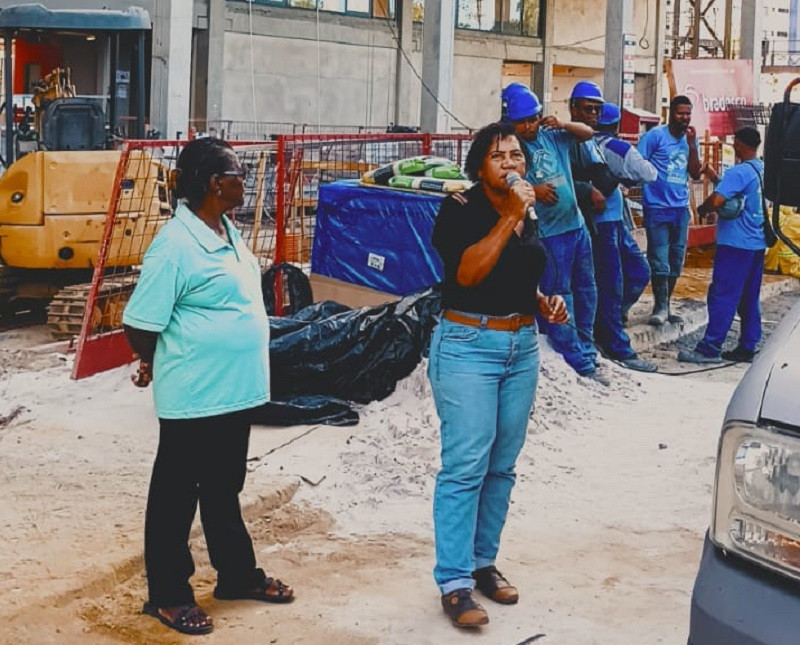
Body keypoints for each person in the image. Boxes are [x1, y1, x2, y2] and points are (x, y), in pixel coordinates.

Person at [122, 137, 294, 637]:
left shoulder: (224, 231)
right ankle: (169, 596)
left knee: (224, 488)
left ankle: (237, 576)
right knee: (176, 495)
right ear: (215, 184)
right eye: (237, 173)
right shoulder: (175, 245)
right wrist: (155, 360)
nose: (245, 181)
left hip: (233, 390)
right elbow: (140, 323)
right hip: (195, 391)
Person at [428, 121, 569, 629]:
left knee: (502, 465)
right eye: (498, 156)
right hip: (467, 346)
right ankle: (454, 582)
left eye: (516, 155)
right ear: (478, 166)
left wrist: (542, 303)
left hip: (520, 347)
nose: (511, 164)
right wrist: (510, 216)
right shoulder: (460, 209)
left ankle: (483, 563)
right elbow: (467, 274)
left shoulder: (526, 213)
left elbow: (516, 272)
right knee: (465, 464)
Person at [502, 84, 608, 384]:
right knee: (561, 295)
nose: (529, 126)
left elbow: (587, 133)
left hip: (576, 226)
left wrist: (560, 123)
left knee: (587, 289)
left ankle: (586, 347)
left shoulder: (554, 137)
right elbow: (501, 181)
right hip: (550, 233)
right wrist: (532, 189)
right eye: (522, 121)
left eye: (533, 119)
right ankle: (576, 358)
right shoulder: (513, 150)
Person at [678, 127, 767, 364]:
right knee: (749, 297)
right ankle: (747, 346)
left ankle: (709, 348)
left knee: (723, 295)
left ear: (739, 143)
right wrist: (715, 176)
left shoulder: (738, 172)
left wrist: (703, 209)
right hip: (756, 243)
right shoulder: (761, 169)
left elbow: (719, 199)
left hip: (735, 244)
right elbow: (739, 194)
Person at [590, 102, 659, 372]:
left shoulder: (584, 144)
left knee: (634, 272)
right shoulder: (617, 147)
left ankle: (609, 321)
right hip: (605, 224)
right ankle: (614, 340)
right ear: (617, 124)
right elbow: (648, 173)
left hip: (613, 220)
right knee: (613, 283)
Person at [638, 95, 702, 326]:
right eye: (680, 113)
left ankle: (668, 303)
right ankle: (659, 306)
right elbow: (638, 163)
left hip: (680, 209)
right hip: (656, 208)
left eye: (688, 113)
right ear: (670, 113)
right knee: (659, 260)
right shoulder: (655, 136)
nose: (684, 118)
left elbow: (695, 174)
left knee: (676, 261)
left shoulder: (691, 139)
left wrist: (693, 145)